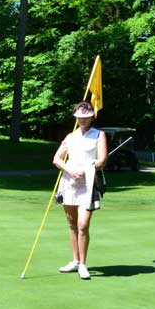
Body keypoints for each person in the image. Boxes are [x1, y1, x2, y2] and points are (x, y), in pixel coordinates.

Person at [53, 101, 108, 280]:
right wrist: (70, 170)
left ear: (92, 117)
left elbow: (102, 161)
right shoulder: (70, 137)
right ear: (76, 117)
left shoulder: (99, 135)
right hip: (69, 183)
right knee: (72, 224)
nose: (83, 120)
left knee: (83, 224)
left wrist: (86, 169)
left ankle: (83, 265)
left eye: (86, 117)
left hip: (88, 183)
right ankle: (75, 261)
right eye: (79, 117)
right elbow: (57, 159)